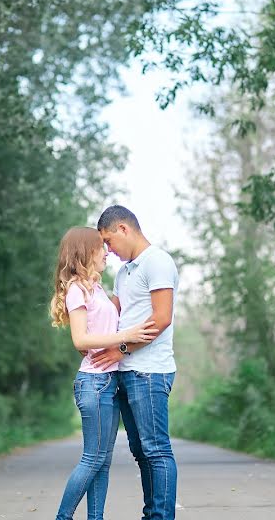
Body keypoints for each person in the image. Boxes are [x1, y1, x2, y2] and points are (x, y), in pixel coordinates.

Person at [50, 226, 158, 520]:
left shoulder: (94, 288)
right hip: (94, 383)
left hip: (108, 382)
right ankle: (63, 517)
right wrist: (128, 334)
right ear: (87, 252)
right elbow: (80, 340)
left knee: (102, 462)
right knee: (92, 458)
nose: (107, 253)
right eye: (102, 247)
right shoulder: (75, 289)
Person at [92, 205, 180, 520]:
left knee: (156, 451)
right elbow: (114, 315)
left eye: (108, 240)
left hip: (150, 372)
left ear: (124, 229)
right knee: (141, 452)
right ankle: (152, 514)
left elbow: (161, 318)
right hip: (126, 372)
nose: (107, 249)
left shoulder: (157, 261)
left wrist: (122, 350)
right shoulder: (124, 272)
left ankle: (161, 516)